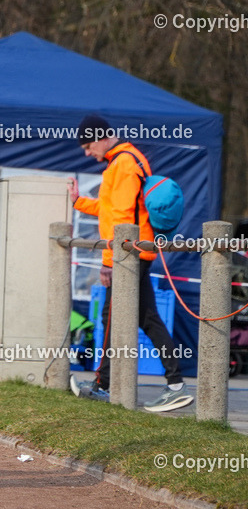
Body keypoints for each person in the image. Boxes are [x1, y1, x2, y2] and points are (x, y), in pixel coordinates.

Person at [68, 114, 193, 412]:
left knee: (111, 317)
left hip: (128, 255)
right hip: (135, 252)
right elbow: (111, 210)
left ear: (100, 137)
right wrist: (78, 202)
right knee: (147, 318)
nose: (87, 153)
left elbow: (123, 217)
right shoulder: (123, 160)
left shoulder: (123, 163)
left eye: (87, 145)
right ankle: (175, 385)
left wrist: (109, 263)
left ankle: (103, 385)